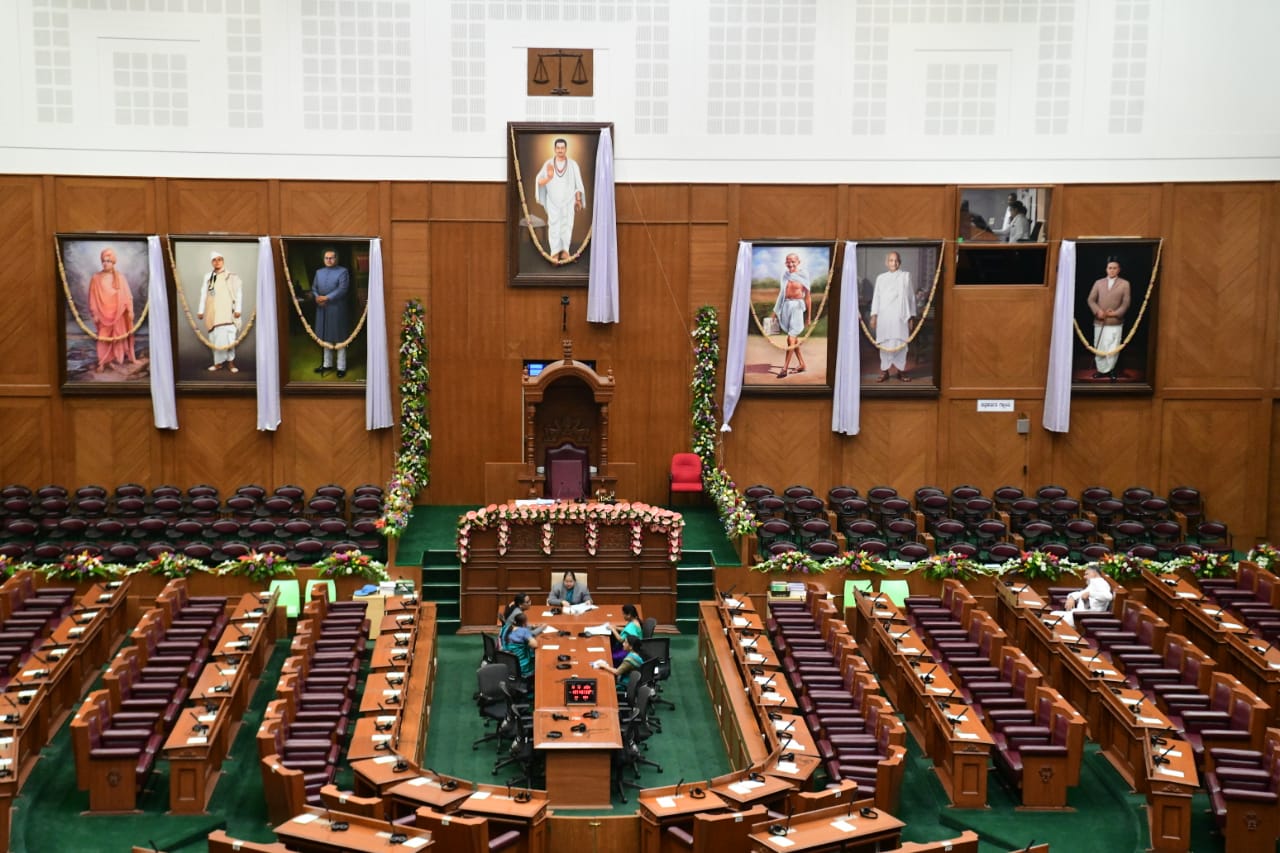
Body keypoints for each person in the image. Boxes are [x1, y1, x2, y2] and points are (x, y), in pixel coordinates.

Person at [86, 247, 138, 372]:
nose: (105, 263)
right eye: (104, 261)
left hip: (119, 313)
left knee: (119, 336)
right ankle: (102, 362)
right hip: (103, 315)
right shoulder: (96, 278)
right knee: (103, 338)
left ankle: (115, 360)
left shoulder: (120, 277)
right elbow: (92, 297)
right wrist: (95, 313)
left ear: (113, 262)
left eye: (108, 261)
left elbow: (127, 296)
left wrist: (130, 310)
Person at [535, 138, 586, 263]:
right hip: (553, 201)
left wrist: (578, 199)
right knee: (554, 226)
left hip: (568, 201)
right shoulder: (549, 164)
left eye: (562, 148)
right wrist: (549, 177)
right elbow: (539, 182)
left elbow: (578, 184)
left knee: (567, 225)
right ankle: (554, 253)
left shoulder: (573, 165)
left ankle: (565, 251)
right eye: (558, 148)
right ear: (554, 149)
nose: (560, 150)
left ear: (566, 149)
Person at [869, 251, 916, 382]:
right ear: (886, 262)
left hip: (900, 317)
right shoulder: (881, 278)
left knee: (901, 343)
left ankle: (901, 371)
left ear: (899, 262)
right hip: (884, 317)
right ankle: (885, 372)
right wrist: (874, 316)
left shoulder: (906, 276)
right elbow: (876, 298)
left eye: (896, 260)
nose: (893, 263)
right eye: (891, 260)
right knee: (885, 343)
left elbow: (911, 297)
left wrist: (911, 316)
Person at [196, 250, 243, 373]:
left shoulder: (232, 276)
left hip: (228, 312)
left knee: (230, 339)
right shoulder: (209, 276)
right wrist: (201, 310)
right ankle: (218, 364)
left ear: (223, 261)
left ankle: (231, 363)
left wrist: (238, 309)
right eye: (214, 260)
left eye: (219, 259)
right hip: (214, 312)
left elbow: (238, 294)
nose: (217, 262)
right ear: (212, 262)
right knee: (215, 338)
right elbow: (204, 294)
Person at [1086, 257, 1131, 381]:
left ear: (1119, 270)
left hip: (1115, 322)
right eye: (1110, 268)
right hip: (1100, 321)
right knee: (1099, 346)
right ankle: (1101, 370)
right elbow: (1091, 300)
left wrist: (1115, 313)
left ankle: (1111, 370)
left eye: (1114, 268)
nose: (1112, 270)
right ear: (1106, 269)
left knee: (1113, 348)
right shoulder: (1098, 283)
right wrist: (1098, 311)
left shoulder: (1124, 284)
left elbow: (1126, 303)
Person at [770, 252, 811, 378]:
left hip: (797, 307)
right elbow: (781, 294)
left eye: (793, 261)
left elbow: (808, 297)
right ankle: (802, 364)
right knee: (793, 339)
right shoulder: (785, 275)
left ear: (798, 262)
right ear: (785, 263)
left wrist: (808, 317)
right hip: (786, 307)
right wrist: (775, 312)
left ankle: (784, 369)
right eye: (788, 261)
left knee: (790, 338)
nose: (791, 264)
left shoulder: (804, 275)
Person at [311, 248, 351, 378]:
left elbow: (343, 289)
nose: (329, 260)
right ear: (323, 259)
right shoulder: (318, 272)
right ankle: (327, 364)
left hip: (337, 309)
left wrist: (327, 298)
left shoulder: (343, 271)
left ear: (336, 259)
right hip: (322, 309)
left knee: (340, 338)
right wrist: (317, 297)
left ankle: (341, 367)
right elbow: (314, 288)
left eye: (331, 258)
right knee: (324, 336)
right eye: (326, 258)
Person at [502, 611, 539, 677]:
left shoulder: (506, 628)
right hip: (523, 667)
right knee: (540, 664)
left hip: (508, 664)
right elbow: (535, 644)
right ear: (525, 623)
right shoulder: (524, 631)